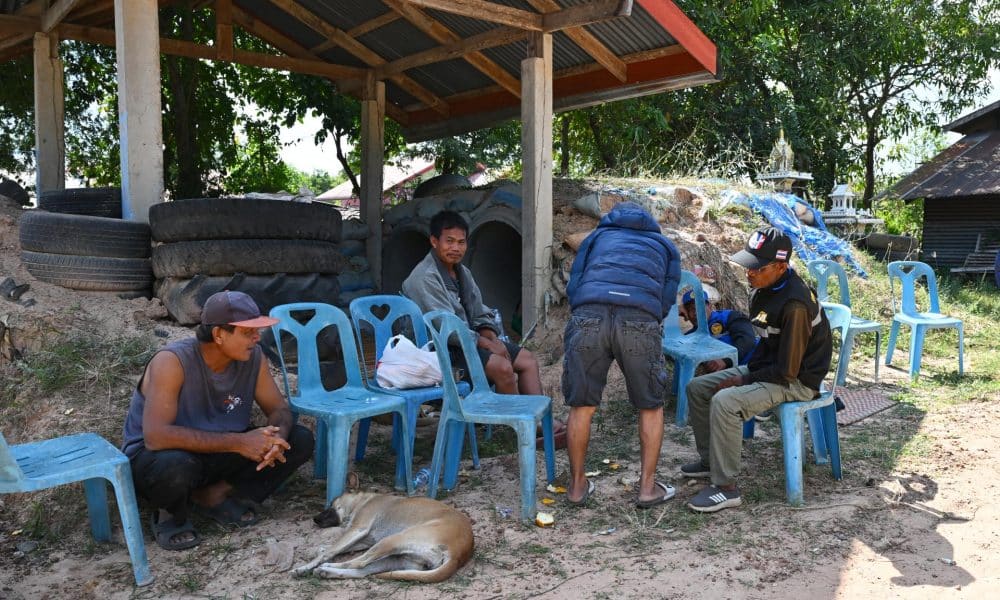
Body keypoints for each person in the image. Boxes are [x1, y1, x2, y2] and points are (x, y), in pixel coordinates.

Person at [122, 291, 314, 550]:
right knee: (174, 465)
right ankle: (169, 514)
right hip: (160, 458)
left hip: (217, 452)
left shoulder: (254, 358)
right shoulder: (172, 362)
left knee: (298, 439)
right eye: (247, 332)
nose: (257, 338)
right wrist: (239, 442)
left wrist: (276, 437)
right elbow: (156, 437)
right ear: (219, 335)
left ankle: (213, 496)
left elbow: (279, 408)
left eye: (257, 331)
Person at [682, 227, 832, 513]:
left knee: (725, 401)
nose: (749, 274)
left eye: (757, 268)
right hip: (770, 368)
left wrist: (743, 379)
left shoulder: (795, 305)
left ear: (781, 266)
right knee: (698, 388)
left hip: (797, 380)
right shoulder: (764, 289)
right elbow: (765, 343)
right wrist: (741, 370)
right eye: (748, 266)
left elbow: (788, 370)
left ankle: (726, 488)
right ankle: (711, 462)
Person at [403, 210, 566, 445]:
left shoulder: (462, 272)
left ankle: (541, 421)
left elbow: (480, 312)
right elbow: (446, 326)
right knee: (502, 368)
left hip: (467, 343)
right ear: (434, 241)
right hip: (438, 352)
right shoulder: (425, 277)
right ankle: (523, 428)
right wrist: (488, 345)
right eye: (449, 241)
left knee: (527, 360)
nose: (455, 248)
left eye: (461, 242)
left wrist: (492, 337)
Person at [562, 202, 681, 508]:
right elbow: (667, 294)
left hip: (590, 315)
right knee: (650, 407)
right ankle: (647, 488)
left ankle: (576, 487)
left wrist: (585, 310)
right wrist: (648, 317)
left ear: (612, 220)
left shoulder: (597, 238)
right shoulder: (664, 245)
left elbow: (575, 281)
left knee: (581, 405)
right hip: (639, 319)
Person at [679, 286, 758, 372]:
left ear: (709, 306)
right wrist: (676, 310)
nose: (696, 312)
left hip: (757, 361)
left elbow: (748, 340)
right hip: (733, 374)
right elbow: (672, 351)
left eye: (700, 307)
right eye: (691, 309)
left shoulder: (730, 316)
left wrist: (726, 360)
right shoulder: (691, 336)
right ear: (686, 314)